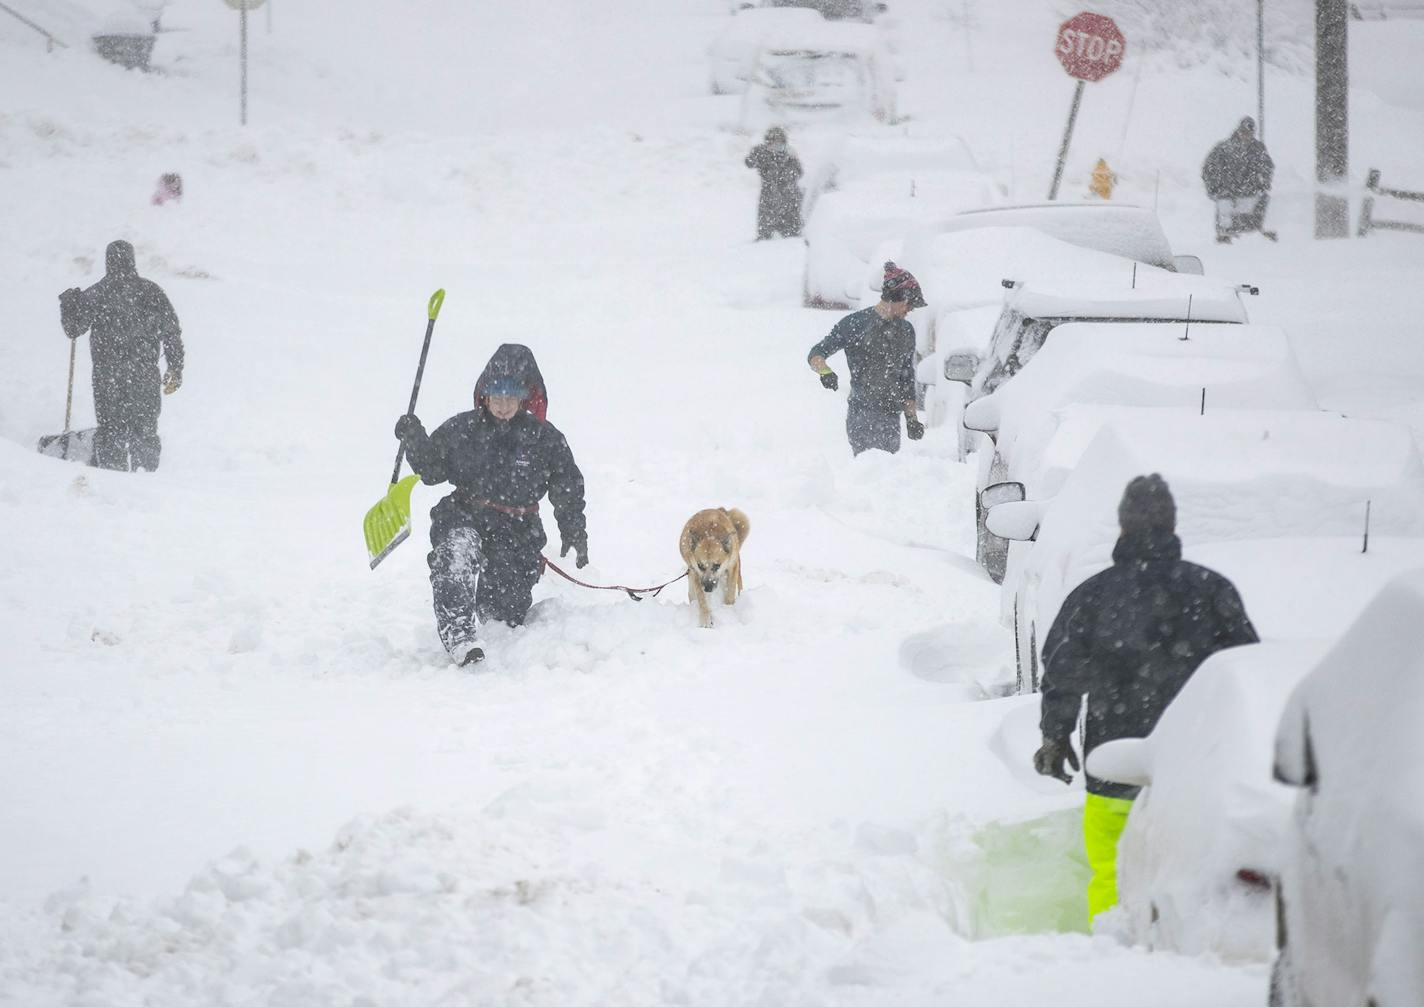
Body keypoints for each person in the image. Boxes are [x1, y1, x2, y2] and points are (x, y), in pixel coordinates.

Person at [1033, 474, 1259, 921]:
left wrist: (1055, 737)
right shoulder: (1211, 591)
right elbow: (1246, 673)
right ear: (1173, 527)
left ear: (1122, 529)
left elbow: (1062, 672)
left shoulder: (1093, 596)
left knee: (1111, 874)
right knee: (1193, 882)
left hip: (1114, 765)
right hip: (1193, 772)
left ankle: (1111, 959)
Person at [393, 344, 588, 667]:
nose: (501, 406)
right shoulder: (464, 429)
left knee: (503, 617)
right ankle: (459, 635)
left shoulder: (544, 439)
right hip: (466, 515)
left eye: (509, 398)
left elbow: (567, 487)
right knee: (457, 551)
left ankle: (487, 613)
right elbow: (431, 471)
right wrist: (414, 437)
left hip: (518, 530)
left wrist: (574, 529)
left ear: (525, 398)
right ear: (484, 395)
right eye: (495, 397)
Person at [58, 239, 184, 472]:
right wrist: (175, 368)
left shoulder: (98, 293)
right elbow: (172, 332)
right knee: (145, 429)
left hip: (108, 376)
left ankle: (112, 477)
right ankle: (146, 475)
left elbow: (73, 329)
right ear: (132, 260)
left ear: (108, 262)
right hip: (144, 375)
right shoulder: (151, 291)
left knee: (110, 429)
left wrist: (68, 304)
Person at [806, 261, 926, 455]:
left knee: (886, 475)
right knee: (868, 472)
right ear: (900, 299)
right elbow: (817, 353)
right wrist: (825, 372)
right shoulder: (855, 324)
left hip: (890, 419)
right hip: (861, 416)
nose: (909, 311)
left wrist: (911, 419)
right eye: (909, 305)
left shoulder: (906, 331)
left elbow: (906, 378)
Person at [1201, 117, 1276, 243]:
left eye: (1249, 133)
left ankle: (1254, 233)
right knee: (1224, 207)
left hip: (1251, 191)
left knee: (1262, 203)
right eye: (1244, 132)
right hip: (1226, 192)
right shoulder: (1223, 148)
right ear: (1238, 131)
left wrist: (1263, 183)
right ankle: (1224, 236)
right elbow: (1209, 169)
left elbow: (1267, 167)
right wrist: (1214, 187)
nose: (1246, 136)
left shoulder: (1258, 149)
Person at [744, 127, 803, 240]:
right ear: (767, 144)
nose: (776, 148)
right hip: (768, 201)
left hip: (790, 202)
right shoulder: (763, 155)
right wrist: (756, 154)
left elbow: (798, 173)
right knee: (764, 237)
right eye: (773, 144)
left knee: (792, 237)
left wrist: (792, 162)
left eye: (780, 144)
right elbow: (749, 162)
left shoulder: (789, 156)